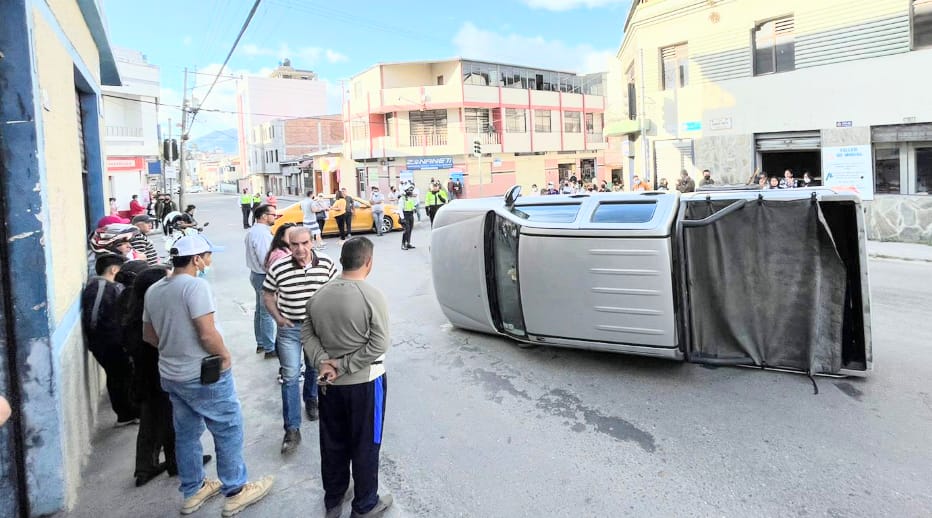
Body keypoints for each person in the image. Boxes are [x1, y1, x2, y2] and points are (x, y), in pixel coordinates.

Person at [143, 235, 274, 516]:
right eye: (207, 255)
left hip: (171, 374)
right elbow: (206, 332)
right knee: (228, 429)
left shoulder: (154, 289)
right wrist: (224, 356)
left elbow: (149, 335)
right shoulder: (195, 286)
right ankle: (236, 490)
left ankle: (193, 490)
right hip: (203, 374)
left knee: (187, 433)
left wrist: (176, 348)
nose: (210, 260)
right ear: (196, 259)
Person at [303, 236, 393, 518]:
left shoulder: (319, 295)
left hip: (329, 385)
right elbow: (379, 344)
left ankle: (334, 497)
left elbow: (306, 333)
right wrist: (343, 365)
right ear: (368, 262)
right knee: (366, 444)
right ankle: (365, 504)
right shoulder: (371, 295)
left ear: (342, 261)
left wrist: (324, 363)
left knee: (333, 442)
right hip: (366, 383)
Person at [263, 227, 337, 452]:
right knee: (291, 376)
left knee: (315, 368)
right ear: (289, 245)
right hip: (290, 330)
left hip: (316, 330)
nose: (300, 249)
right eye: (294, 244)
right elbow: (267, 295)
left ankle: (311, 399)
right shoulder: (279, 267)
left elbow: (337, 291)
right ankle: (292, 429)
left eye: (304, 243)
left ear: (312, 242)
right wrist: (277, 318)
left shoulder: (326, 264)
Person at [122, 264, 196, 487]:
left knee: (152, 419)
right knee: (172, 417)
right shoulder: (151, 315)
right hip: (159, 372)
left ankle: (148, 466)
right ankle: (176, 462)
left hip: (145, 375)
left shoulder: (132, 310)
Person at [82, 253, 138, 426]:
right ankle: (126, 414)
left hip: (105, 342)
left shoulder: (97, 285)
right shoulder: (105, 288)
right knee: (120, 377)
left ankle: (128, 412)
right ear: (114, 269)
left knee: (119, 376)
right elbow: (95, 319)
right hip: (109, 342)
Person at [245, 204, 278, 358]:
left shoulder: (256, 231)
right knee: (267, 312)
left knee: (261, 311)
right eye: (273, 214)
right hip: (263, 276)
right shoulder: (261, 234)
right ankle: (269, 347)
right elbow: (266, 258)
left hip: (257, 275)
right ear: (264, 216)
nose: (275, 217)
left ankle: (262, 343)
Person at [400, 185, 417, 251]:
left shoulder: (411, 198)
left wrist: (414, 208)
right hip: (405, 215)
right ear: (406, 191)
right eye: (409, 190)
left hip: (410, 215)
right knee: (406, 230)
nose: (411, 192)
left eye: (411, 190)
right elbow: (400, 209)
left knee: (410, 230)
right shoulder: (402, 198)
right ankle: (403, 244)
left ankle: (408, 243)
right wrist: (402, 218)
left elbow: (412, 205)